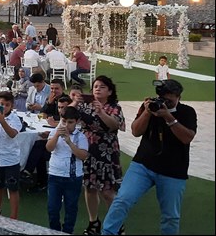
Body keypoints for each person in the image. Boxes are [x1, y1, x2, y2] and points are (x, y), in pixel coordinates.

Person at [102, 80, 196, 235]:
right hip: (143, 165)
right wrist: (146, 112)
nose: (164, 103)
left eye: (169, 100)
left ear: (178, 97)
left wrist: (168, 117)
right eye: (162, 98)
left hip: (173, 170)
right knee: (122, 200)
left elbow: (187, 138)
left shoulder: (187, 112)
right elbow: (136, 131)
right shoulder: (150, 106)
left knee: (171, 216)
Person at [70, 75, 125, 236]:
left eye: (102, 87)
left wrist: (101, 112)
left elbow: (114, 125)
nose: (98, 89)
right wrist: (75, 102)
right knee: (90, 187)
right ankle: (93, 222)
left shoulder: (114, 107)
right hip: (88, 150)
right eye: (95, 87)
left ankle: (117, 224)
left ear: (110, 91)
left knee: (108, 191)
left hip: (106, 152)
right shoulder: (84, 105)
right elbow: (67, 115)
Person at [46, 106, 89, 234]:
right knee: (52, 208)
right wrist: (56, 136)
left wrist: (69, 142)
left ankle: (67, 231)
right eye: (64, 121)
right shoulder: (55, 132)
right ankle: (55, 231)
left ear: (77, 122)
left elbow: (83, 156)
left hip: (73, 177)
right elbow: (49, 148)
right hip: (54, 174)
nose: (66, 125)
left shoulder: (80, 137)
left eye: (70, 122)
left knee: (71, 208)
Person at [0, 91, 22, 219]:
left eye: (7, 105)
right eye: (2, 104)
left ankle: (14, 216)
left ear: (12, 106)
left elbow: (12, 134)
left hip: (10, 157)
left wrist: (2, 121)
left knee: (12, 187)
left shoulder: (15, 119)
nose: (4, 107)